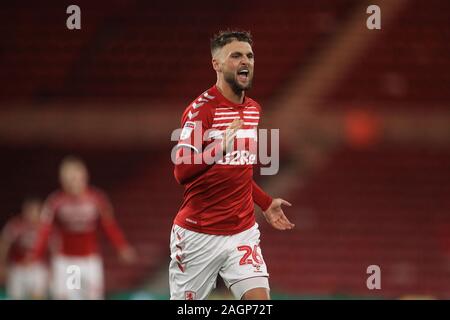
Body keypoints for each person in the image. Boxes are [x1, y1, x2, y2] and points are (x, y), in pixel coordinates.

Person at [170, 30, 295, 300]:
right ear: (216, 64)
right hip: (197, 234)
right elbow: (181, 170)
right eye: (236, 55)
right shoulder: (201, 110)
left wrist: (264, 202)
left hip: (242, 233)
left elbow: (236, 172)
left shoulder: (253, 110)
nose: (245, 62)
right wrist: (219, 148)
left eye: (249, 56)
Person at [31, 156, 136, 300]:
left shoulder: (97, 199)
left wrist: (122, 246)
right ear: (62, 180)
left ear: (84, 176)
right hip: (66, 261)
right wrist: (36, 255)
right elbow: (45, 231)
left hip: (90, 260)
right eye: (69, 178)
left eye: (76, 177)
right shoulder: (55, 202)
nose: (73, 182)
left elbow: (109, 225)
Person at [0, 198, 49, 299]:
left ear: (40, 211)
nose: (31, 214)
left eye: (35, 210)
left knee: (38, 296)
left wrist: (50, 267)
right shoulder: (14, 225)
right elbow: (4, 244)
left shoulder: (46, 227)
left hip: (37, 268)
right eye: (29, 210)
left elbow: (52, 248)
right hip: (17, 268)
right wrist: (2, 264)